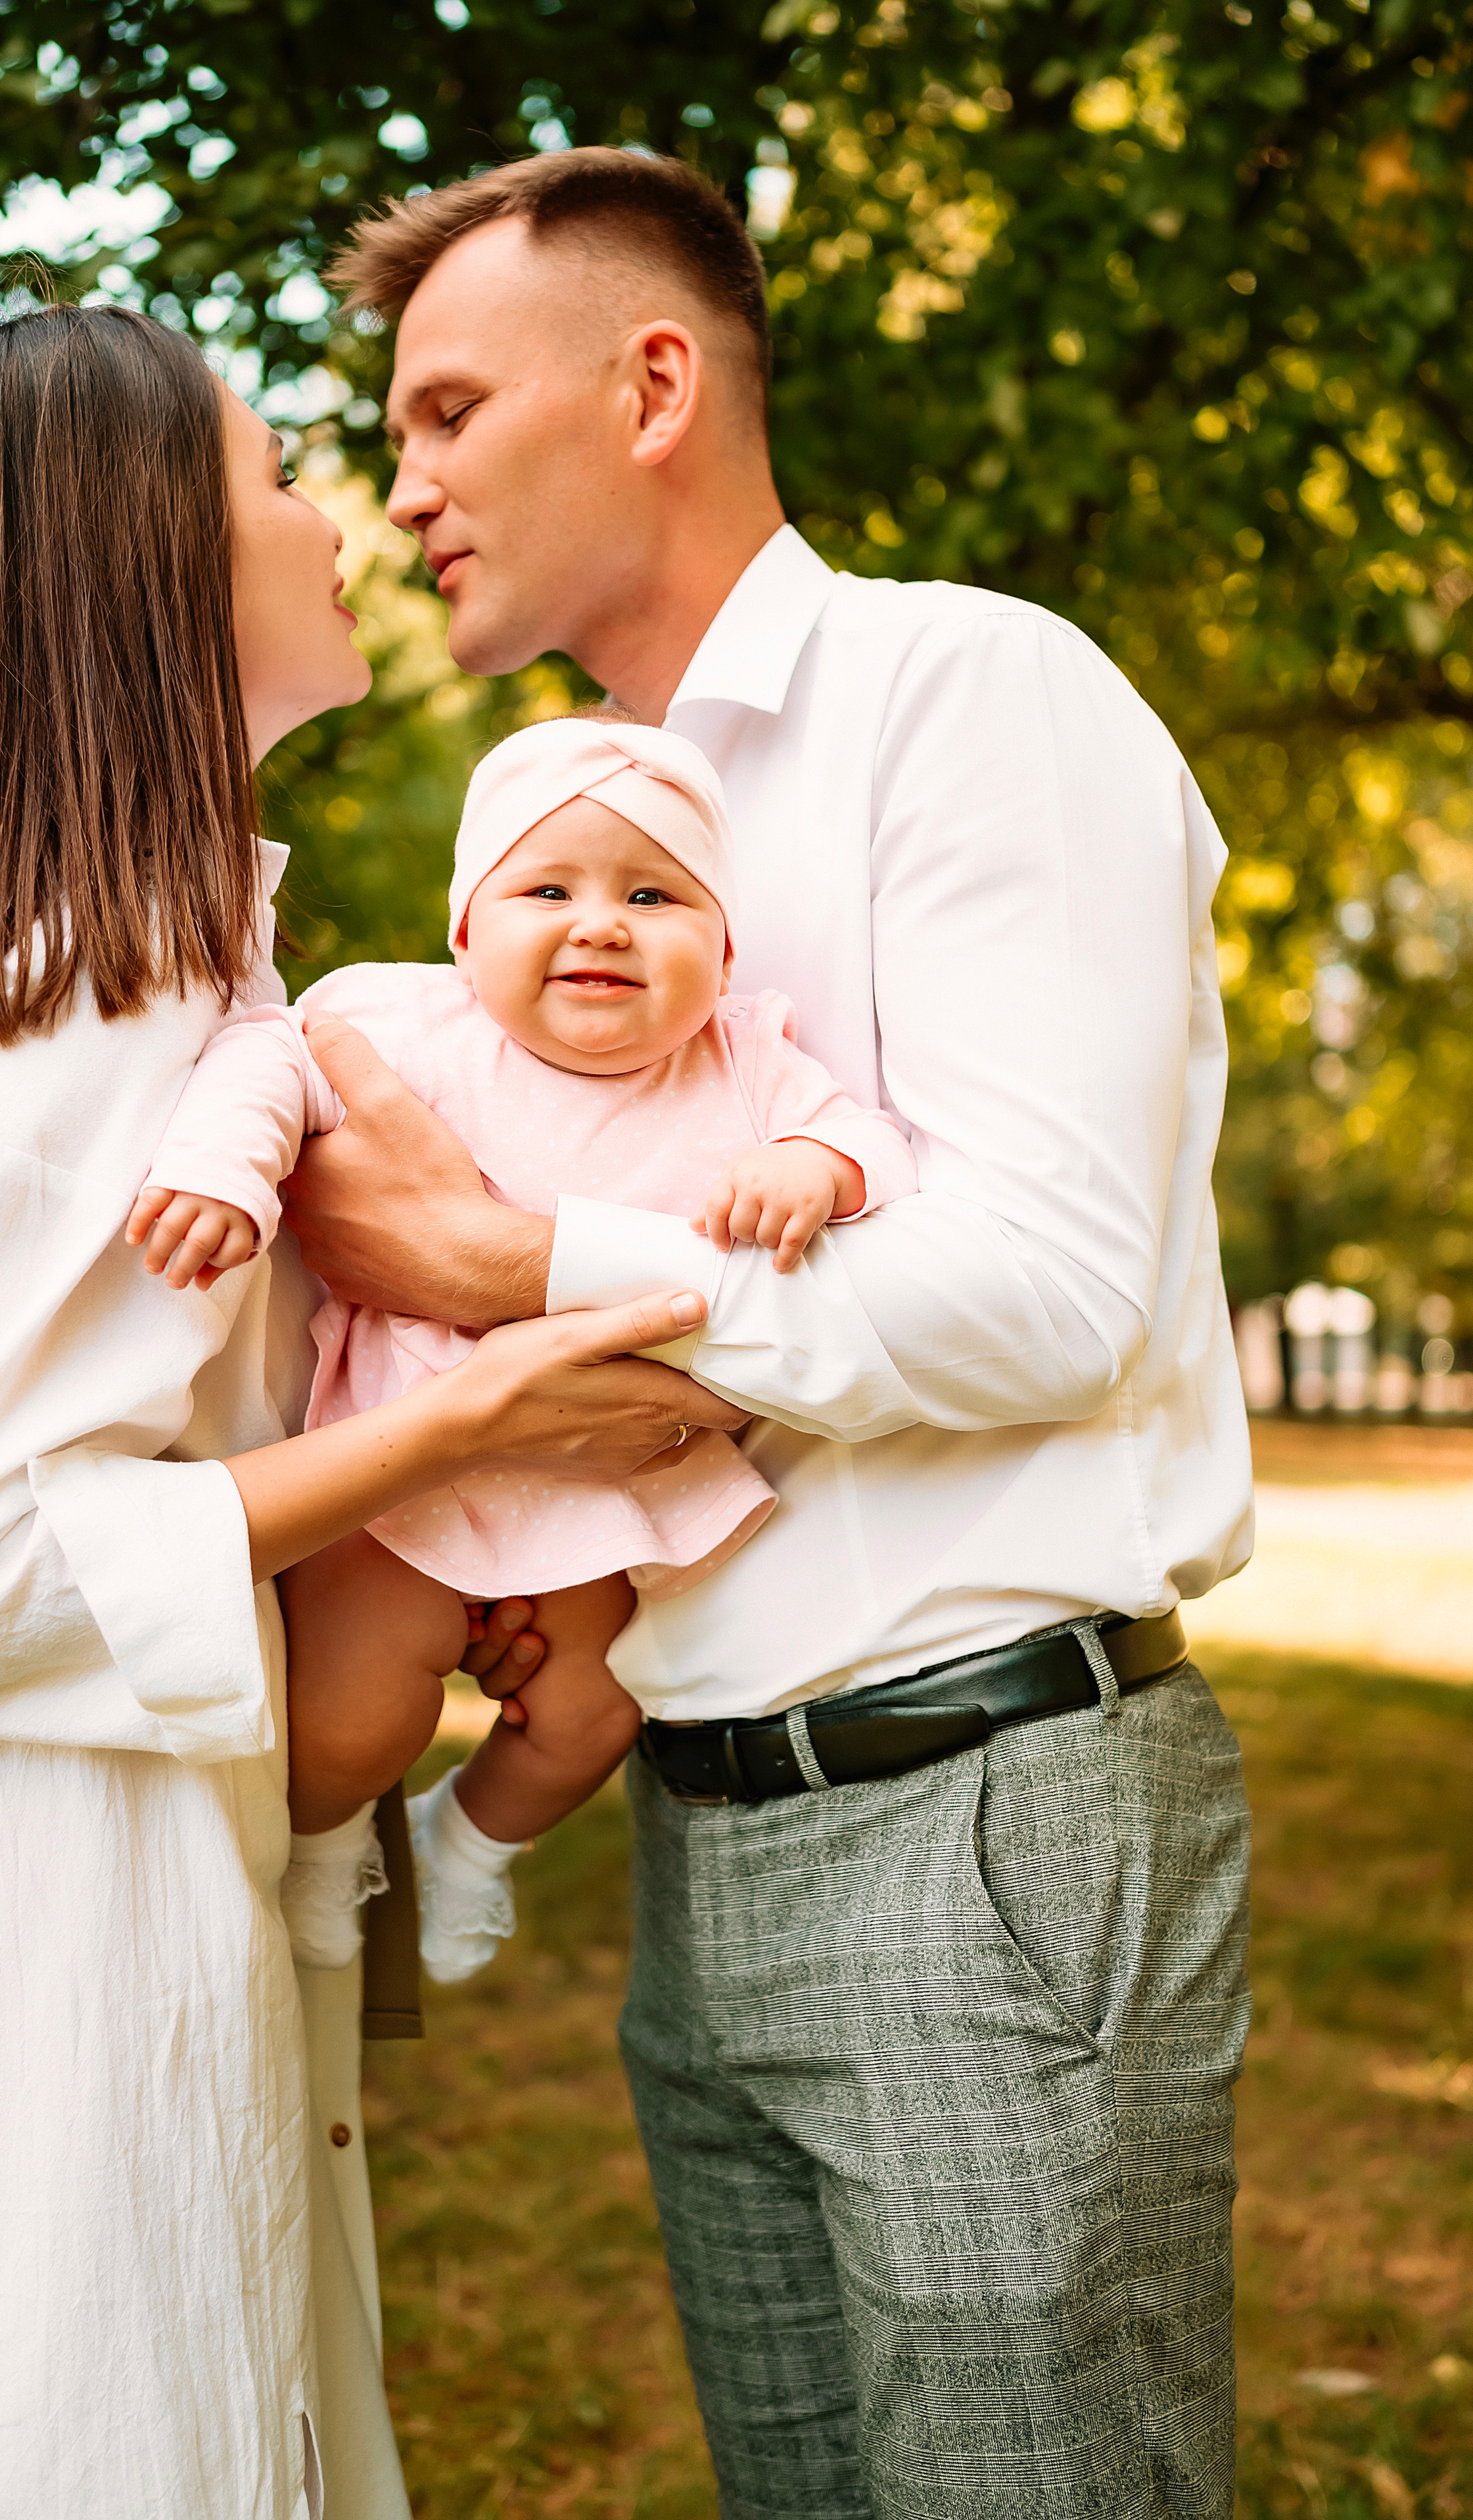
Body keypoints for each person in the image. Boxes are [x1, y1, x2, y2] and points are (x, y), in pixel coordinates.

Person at [285, 149, 1257, 2519]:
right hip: (706, 1830)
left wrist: (511, 1276)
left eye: (438, 412)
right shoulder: (543, 872)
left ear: (650, 383)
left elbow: (1041, 1291)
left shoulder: (970, 695)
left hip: (976, 1816)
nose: (397, 490)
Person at [0, 303, 740, 2520]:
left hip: (100, 1873)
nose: (341, 514)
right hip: (15, 1941)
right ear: (151, 568)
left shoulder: (135, 976)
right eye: (273, 472)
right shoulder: (68, 1024)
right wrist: (464, 1424)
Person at [128, 711, 916, 1980]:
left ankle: (470, 1845)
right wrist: (225, 1169)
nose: (601, 921)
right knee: (351, 1709)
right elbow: (261, 1063)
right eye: (547, 888)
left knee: (594, 1711)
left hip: (598, 1477)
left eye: (653, 894)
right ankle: (330, 1841)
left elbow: (880, 1147)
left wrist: (812, 1166)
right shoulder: (409, 1027)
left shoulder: (750, 1059)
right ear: (463, 933)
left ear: (721, 949)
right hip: (401, 1457)